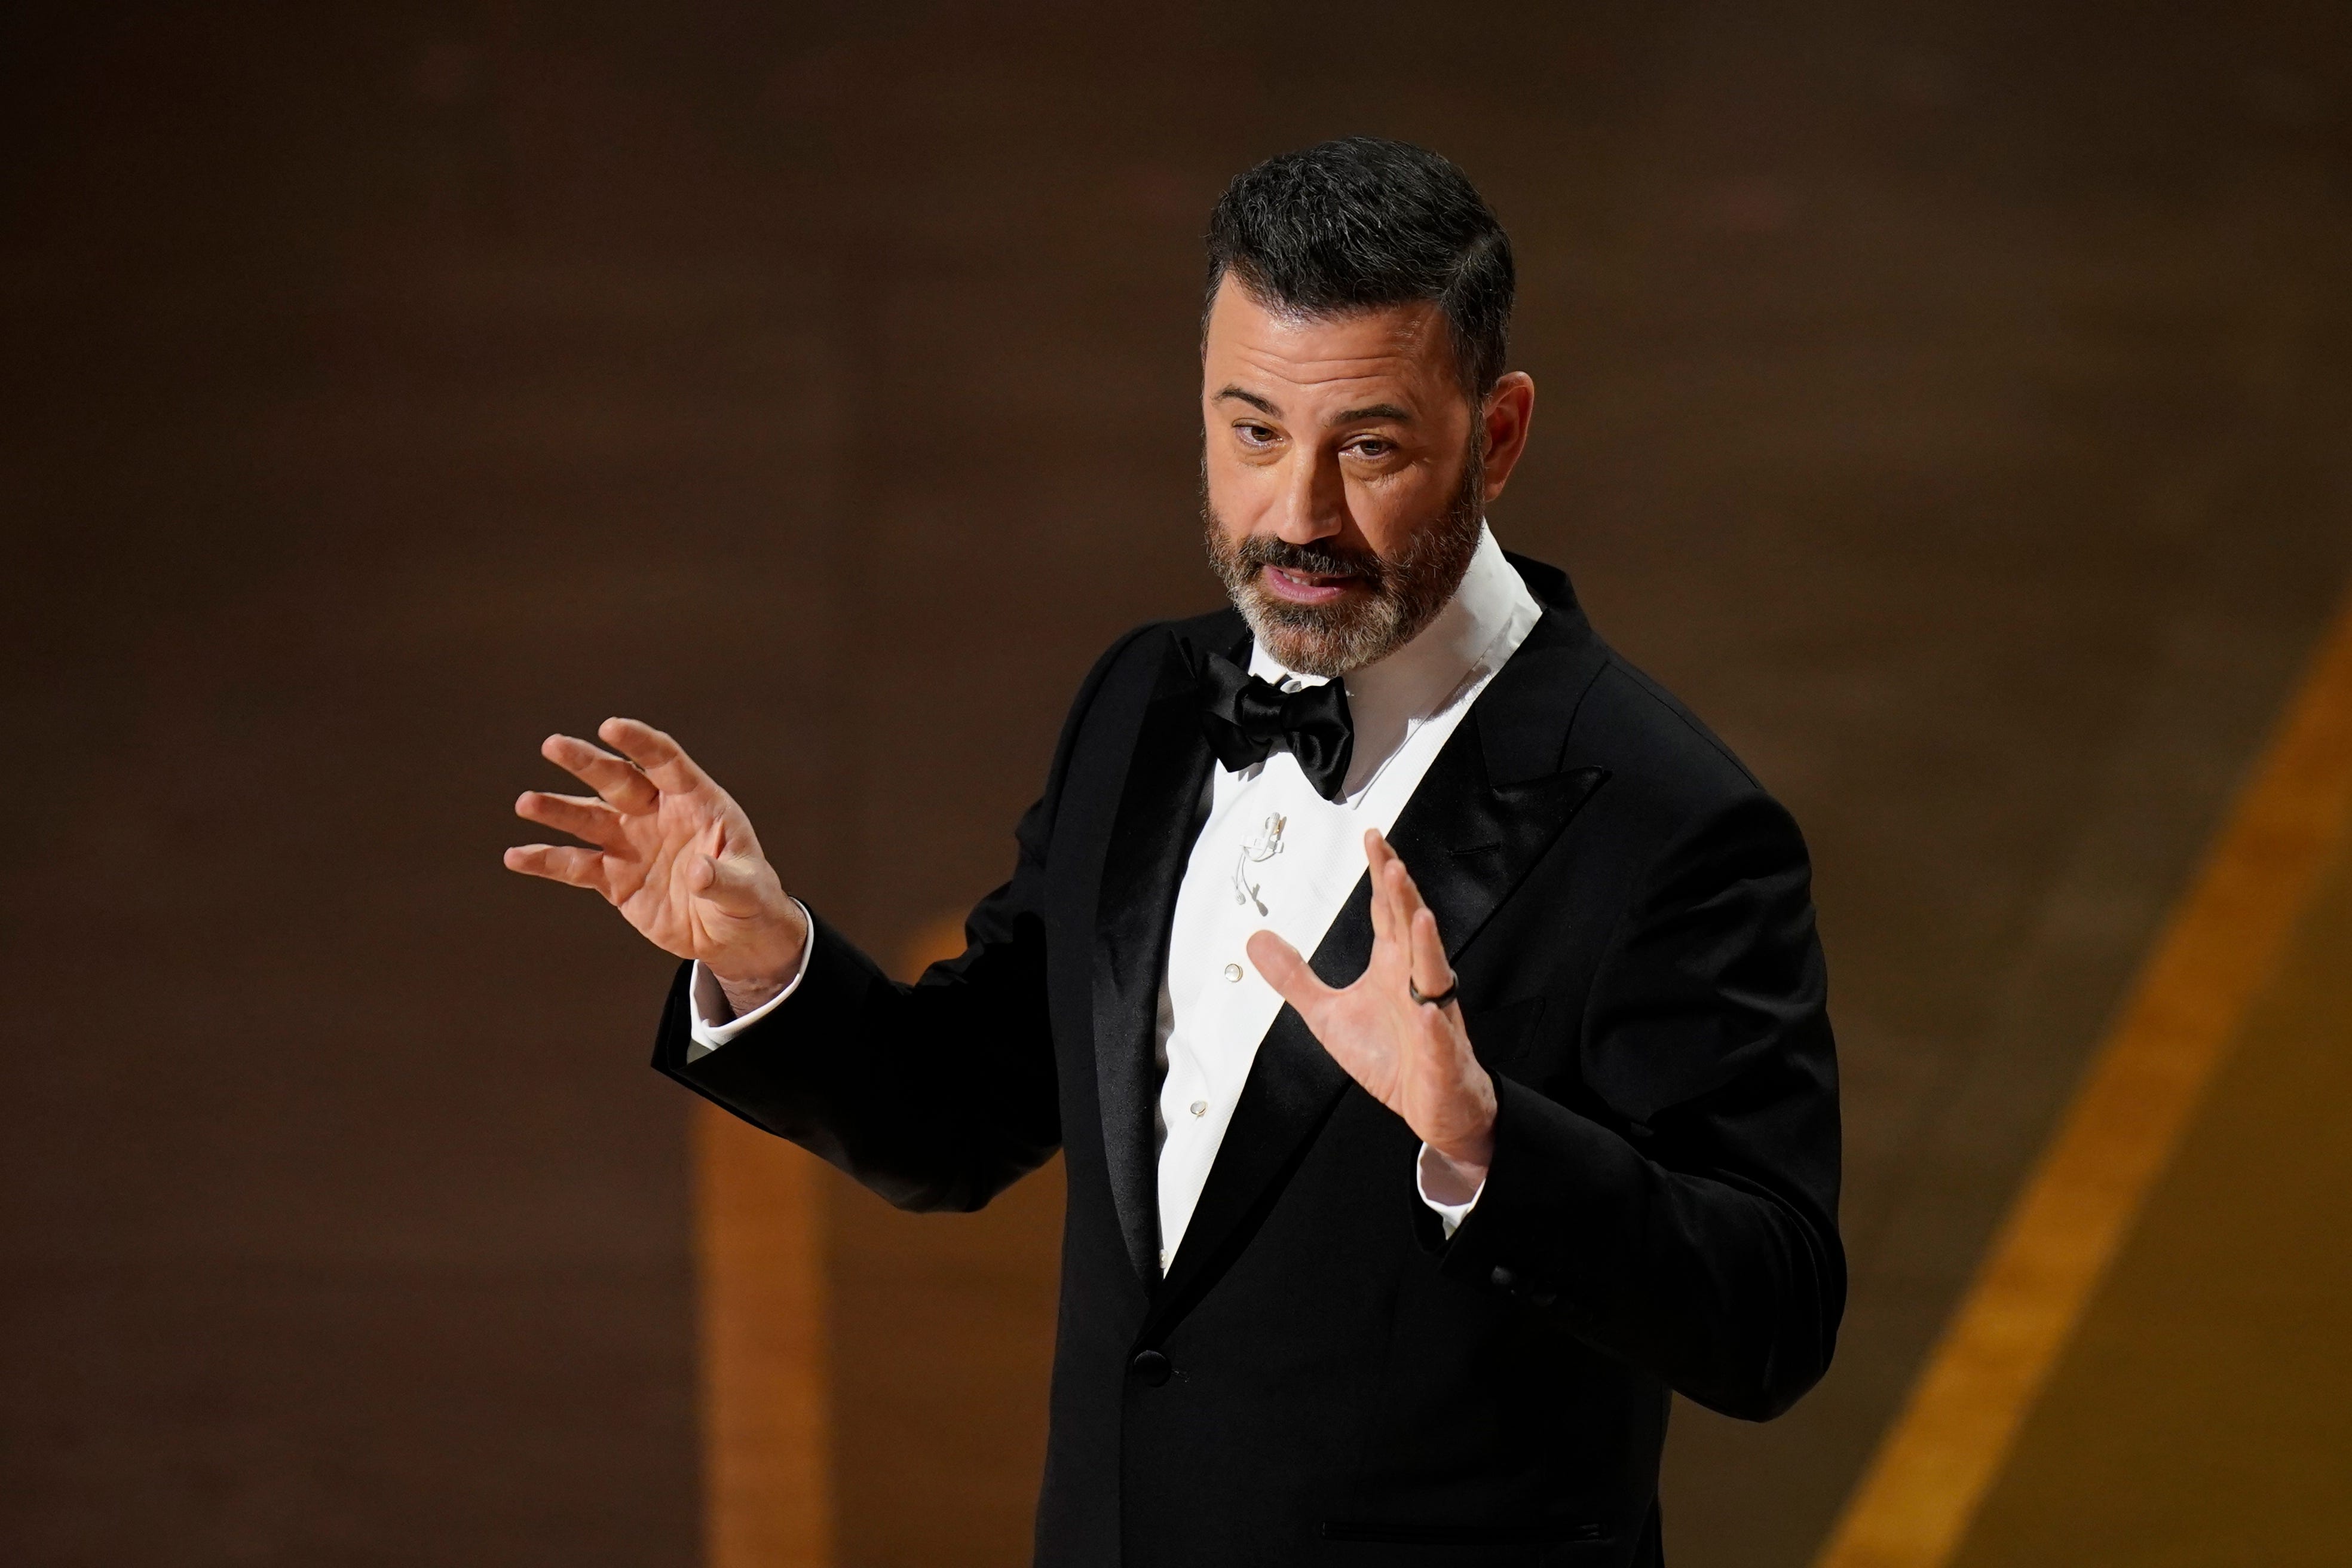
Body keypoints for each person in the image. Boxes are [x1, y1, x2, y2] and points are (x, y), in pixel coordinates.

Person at [506, 136, 1841, 1567]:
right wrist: (768, 958)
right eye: (1253, 432)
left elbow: (1771, 1316)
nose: (1298, 518)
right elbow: (962, 1116)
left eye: (1369, 449)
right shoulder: (1146, 700)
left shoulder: (1667, 821)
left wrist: (1483, 1140)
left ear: (1499, 435)